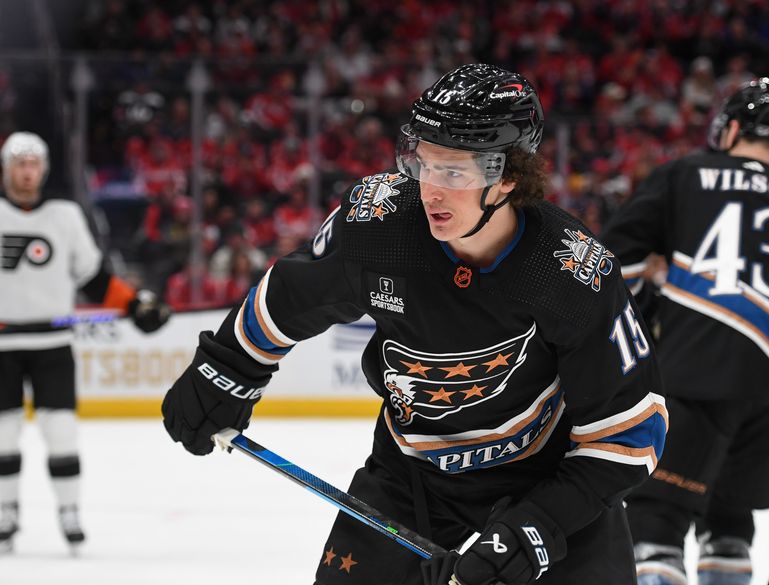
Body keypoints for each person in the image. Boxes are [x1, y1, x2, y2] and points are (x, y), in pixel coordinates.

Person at [161, 63, 667, 585]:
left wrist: (535, 529)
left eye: (455, 173)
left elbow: (634, 433)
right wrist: (225, 366)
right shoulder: (382, 228)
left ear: (509, 176)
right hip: (411, 481)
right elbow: (290, 295)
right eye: (423, 164)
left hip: (545, 486)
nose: (431, 191)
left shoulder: (570, 273)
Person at [601, 79, 769, 585]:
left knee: (658, 520)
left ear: (732, 128)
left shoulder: (687, 173)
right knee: (730, 524)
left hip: (697, 371)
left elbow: (613, 260)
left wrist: (641, 312)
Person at [0, 131, 171, 553]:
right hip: (2, 350)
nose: (26, 172)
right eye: (18, 164)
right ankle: (5, 512)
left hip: (53, 346)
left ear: (43, 168)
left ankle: (69, 511)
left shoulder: (64, 215)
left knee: (61, 433)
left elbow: (93, 278)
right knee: (2, 436)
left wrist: (135, 305)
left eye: (33, 163)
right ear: (6, 168)